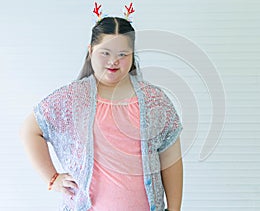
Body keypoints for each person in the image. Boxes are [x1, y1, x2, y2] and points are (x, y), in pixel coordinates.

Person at [20, 14, 183, 211]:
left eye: (123, 54)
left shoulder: (154, 100)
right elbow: (30, 130)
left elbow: (171, 161)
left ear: (132, 55)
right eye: (105, 53)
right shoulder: (72, 98)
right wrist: (53, 178)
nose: (113, 61)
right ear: (90, 51)